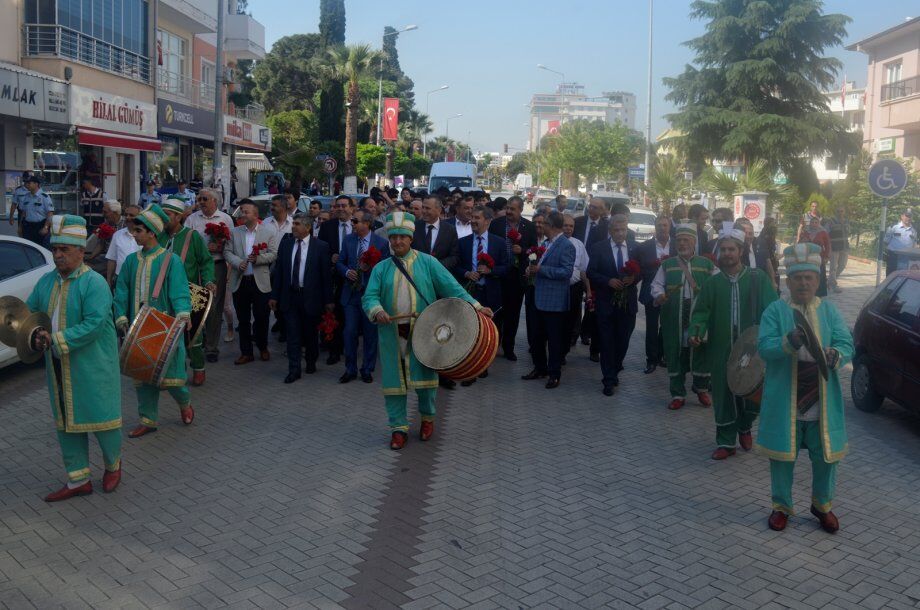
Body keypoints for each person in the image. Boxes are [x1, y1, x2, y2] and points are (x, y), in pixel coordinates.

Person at [362, 212, 493, 450]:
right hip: (392, 335)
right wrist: (377, 310)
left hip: (424, 333)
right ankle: (398, 428)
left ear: (411, 238)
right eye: (393, 237)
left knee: (426, 382)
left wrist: (476, 306)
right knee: (394, 384)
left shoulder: (428, 262)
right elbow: (369, 297)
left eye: (402, 237)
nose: (397, 241)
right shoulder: (381, 268)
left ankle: (427, 419)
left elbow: (452, 288)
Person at [757, 243, 854, 534]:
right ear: (788, 282)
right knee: (782, 458)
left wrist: (836, 354)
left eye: (809, 278)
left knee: (825, 458)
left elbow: (846, 344)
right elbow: (764, 347)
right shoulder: (775, 311)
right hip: (785, 397)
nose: (803, 283)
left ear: (817, 280)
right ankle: (781, 507)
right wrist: (788, 342)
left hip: (822, 401)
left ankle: (822, 505)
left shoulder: (830, 311)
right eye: (797, 278)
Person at [25, 215, 123, 501]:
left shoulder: (94, 283)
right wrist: (32, 334)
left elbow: (94, 325)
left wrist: (55, 339)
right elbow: (31, 314)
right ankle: (78, 479)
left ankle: (113, 465)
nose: (58, 255)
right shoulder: (46, 282)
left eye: (64, 249)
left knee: (102, 419)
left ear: (81, 251)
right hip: (57, 365)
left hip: (94, 365)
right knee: (66, 422)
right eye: (55, 249)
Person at [689, 228, 777, 459]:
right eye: (724, 249)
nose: (727, 253)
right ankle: (726, 442)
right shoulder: (712, 283)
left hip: (752, 348)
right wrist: (697, 331)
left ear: (741, 251)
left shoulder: (758, 278)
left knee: (754, 393)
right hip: (721, 347)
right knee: (723, 394)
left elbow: (773, 310)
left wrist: (774, 336)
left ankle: (745, 425)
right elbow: (701, 312)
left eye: (731, 249)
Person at [114, 204, 195, 437]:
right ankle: (147, 420)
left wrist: (183, 314)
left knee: (171, 379)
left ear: (152, 233)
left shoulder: (171, 261)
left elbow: (180, 291)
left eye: (139, 231)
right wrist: (121, 316)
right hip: (137, 327)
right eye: (134, 230)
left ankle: (185, 403)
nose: (134, 234)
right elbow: (121, 291)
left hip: (164, 327)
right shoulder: (131, 261)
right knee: (142, 377)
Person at [651, 224, 714, 409]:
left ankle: (701, 389)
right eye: (679, 240)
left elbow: (717, 286)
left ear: (694, 242)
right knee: (675, 353)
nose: (682, 243)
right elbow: (656, 285)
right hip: (674, 316)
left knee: (701, 351)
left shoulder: (707, 264)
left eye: (686, 240)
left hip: (698, 317)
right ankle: (678, 394)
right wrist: (659, 295)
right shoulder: (667, 264)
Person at [270, 213, 335, 383]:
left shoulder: (320, 246)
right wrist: (274, 296)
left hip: (311, 297)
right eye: (293, 223)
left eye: (297, 224)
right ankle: (294, 369)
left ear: (307, 227)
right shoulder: (286, 244)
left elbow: (326, 276)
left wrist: (328, 300)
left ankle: (311, 361)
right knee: (292, 335)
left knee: (310, 334)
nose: (293, 227)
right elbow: (279, 273)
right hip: (290, 296)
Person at [161, 197, 216, 386]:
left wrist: (209, 280)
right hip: (162, 294)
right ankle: (175, 371)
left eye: (167, 214)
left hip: (188, 293)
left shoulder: (192, 236)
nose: (163, 218)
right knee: (167, 334)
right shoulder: (157, 236)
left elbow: (206, 261)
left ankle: (198, 367)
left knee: (193, 334)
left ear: (178, 217)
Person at [522, 212, 576, 389]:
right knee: (536, 337)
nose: (540, 226)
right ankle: (539, 368)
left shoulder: (566, 245)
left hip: (554, 301)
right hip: (538, 297)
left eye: (544, 223)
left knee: (554, 340)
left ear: (552, 226)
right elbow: (539, 265)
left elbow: (566, 272)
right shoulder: (545, 243)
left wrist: (541, 270)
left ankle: (554, 373)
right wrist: (530, 270)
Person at [587, 214, 640, 396]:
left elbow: (642, 271)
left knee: (623, 341)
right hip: (606, 303)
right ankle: (608, 379)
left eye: (623, 230)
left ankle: (615, 368)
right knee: (607, 342)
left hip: (627, 305)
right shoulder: (598, 248)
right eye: (616, 230)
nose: (620, 233)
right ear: (610, 230)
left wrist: (634, 278)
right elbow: (590, 272)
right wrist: (607, 281)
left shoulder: (634, 248)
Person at [412, 194, 461, 389]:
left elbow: (455, 256)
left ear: (439, 210)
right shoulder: (414, 228)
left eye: (427, 208)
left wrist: (436, 267)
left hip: (440, 291)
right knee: (422, 331)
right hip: (418, 288)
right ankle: (422, 370)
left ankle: (444, 373)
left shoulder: (449, 230)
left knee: (442, 332)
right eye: (423, 207)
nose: (423, 211)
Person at [455, 206, 507, 386]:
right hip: (470, 293)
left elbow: (506, 268)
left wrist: (491, 271)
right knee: (469, 330)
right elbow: (456, 266)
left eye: (477, 217)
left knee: (486, 333)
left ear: (488, 220)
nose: (473, 221)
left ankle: (482, 365)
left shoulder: (499, 243)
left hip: (490, 294)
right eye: (472, 217)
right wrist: (466, 273)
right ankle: (468, 369)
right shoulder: (463, 242)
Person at [337, 210, 389, 384]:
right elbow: (340, 262)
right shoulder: (348, 240)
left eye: (355, 221)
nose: (352, 223)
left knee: (370, 334)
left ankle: (367, 369)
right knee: (349, 332)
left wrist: (370, 269)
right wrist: (347, 272)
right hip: (351, 295)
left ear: (367, 223)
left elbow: (386, 269)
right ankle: (350, 369)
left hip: (371, 296)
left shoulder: (381, 243)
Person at [224, 201, 278, 365]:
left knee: (262, 317)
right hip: (240, 281)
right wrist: (237, 262)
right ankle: (246, 352)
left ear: (255, 215)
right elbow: (227, 252)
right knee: (243, 319)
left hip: (260, 281)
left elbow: (274, 254)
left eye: (246, 211)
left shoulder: (268, 232)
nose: (242, 214)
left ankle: (262, 347)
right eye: (241, 211)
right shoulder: (234, 232)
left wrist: (258, 259)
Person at [184, 188, 234, 362]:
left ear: (214, 200)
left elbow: (231, 244)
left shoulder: (225, 219)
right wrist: (205, 249)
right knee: (197, 305)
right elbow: (187, 243)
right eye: (199, 199)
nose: (200, 202)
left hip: (217, 265)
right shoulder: (192, 219)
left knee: (214, 308)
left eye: (204, 199)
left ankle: (212, 348)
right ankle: (198, 340)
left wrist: (220, 247)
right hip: (197, 268)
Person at [489, 196, 537, 362]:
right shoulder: (496, 224)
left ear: (521, 210)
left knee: (513, 314)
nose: (508, 211)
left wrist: (522, 251)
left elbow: (534, 250)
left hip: (517, 277)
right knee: (496, 312)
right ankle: (493, 345)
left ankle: (509, 347)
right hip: (498, 274)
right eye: (507, 208)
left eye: (512, 209)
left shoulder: (529, 227)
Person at [318, 195, 357, 366]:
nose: (340, 208)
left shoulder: (358, 225)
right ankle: (334, 350)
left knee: (351, 317)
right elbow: (320, 250)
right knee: (334, 314)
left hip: (354, 278)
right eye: (338, 205)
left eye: (344, 205)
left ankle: (350, 348)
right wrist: (330, 257)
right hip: (334, 278)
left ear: (351, 208)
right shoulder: (327, 226)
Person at [635, 215, 675, 374]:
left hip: (671, 293)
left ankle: (661, 355)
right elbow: (639, 270)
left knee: (666, 326)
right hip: (651, 293)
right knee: (651, 327)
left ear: (670, 227)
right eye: (659, 225)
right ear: (655, 227)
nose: (662, 228)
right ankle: (651, 360)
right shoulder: (644, 247)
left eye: (665, 225)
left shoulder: (676, 246)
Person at [561, 214, 589, 357]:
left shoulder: (579, 244)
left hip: (574, 289)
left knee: (571, 320)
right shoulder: (554, 243)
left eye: (571, 226)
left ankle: (564, 350)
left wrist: (588, 290)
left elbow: (583, 269)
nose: (568, 228)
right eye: (565, 225)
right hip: (558, 288)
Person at [105, 204, 141, 287]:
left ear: (140, 217)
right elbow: (112, 259)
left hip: (140, 279)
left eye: (131, 215)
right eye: (126, 215)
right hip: (120, 279)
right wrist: (108, 281)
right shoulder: (117, 235)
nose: (127, 217)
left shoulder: (145, 236)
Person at [83, 200, 122, 276]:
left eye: (105, 212)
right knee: (85, 264)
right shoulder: (105, 224)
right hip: (106, 256)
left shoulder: (126, 225)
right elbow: (101, 244)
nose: (103, 214)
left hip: (118, 258)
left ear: (115, 213)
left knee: (90, 269)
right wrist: (90, 258)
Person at [796, 214, 831, 296]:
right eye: (812, 222)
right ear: (810, 223)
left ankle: (819, 294)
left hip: (819, 258)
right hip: (808, 258)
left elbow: (828, 245)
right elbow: (799, 244)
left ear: (819, 224)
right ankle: (809, 291)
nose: (814, 224)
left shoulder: (823, 233)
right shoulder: (806, 232)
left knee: (819, 275)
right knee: (809, 274)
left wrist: (826, 256)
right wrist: (802, 240)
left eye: (816, 222)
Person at [18, 175, 54, 246]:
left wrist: (46, 227)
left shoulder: (44, 197)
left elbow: (50, 213)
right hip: (28, 227)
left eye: (29, 183)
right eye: (26, 183)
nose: (27, 185)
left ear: (36, 184)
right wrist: (20, 227)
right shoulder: (26, 196)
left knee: (40, 247)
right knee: (28, 246)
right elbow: (24, 213)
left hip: (40, 226)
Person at [883, 208, 916, 275]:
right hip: (893, 257)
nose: (908, 218)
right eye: (907, 216)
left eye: (910, 216)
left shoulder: (914, 231)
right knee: (890, 276)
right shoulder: (893, 227)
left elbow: (914, 245)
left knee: (902, 277)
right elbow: (886, 241)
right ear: (902, 216)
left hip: (906, 259)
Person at [825, 207, 849, 294]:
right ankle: (833, 285)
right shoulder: (831, 221)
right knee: (833, 267)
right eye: (838, 211)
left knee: (842, 265)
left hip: (845, 247)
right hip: (834, 247)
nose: (840, 213)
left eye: (842, 211)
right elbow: (825, 232)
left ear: (844, 212)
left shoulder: (846, 221)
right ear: (836, 212)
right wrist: (828, 246)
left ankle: (829, 281)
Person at [7, 171, 33, 236]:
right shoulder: (18, 190)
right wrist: (11, 217)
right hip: (21, 214)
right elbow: (14, 204)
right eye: (26, 179)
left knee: (32, 234)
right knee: (21, 232)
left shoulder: (34, 190)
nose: (27, 181)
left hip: (33, 213)